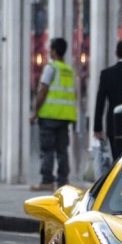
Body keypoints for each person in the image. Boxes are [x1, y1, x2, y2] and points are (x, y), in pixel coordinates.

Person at [29, 37, 77, 190]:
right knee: (62, 150)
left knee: (48, 149)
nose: (49, 52)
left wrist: (35, 112)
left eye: (50, 49)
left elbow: (43, 90)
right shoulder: (69, 71)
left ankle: (47, 181)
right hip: (65, 117)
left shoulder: (51, 68)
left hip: (49, 115)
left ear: (55, 51)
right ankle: (63, 182)